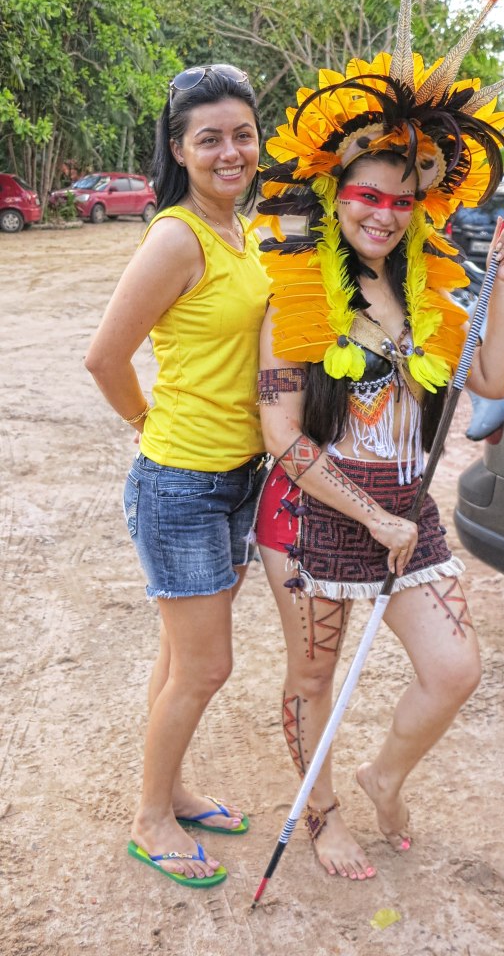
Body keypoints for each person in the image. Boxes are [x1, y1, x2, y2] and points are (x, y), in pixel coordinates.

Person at [252, 0, 504, 882]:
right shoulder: (294, 292)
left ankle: (382, 776)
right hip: (316, 514)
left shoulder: (432, 289)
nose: (385, 214)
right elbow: (283, 438)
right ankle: (321, 817)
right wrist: (370, 517)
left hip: (405, 510)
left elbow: (490, 379)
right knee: (312, 676)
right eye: (367, 194)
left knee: (454, 670)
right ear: (335, 191)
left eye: (402, 201)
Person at [85, 63, 271, 888]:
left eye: (242, 135)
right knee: (205, 666)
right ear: (179, 149)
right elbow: (104, 357)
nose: (230, 152)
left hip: (239, 478)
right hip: (182, 483)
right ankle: (149, 819)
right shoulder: (177, 236)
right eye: (210, 139)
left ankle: (171, 790)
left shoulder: (242, 230)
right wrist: (145, 423)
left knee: (179, 654)